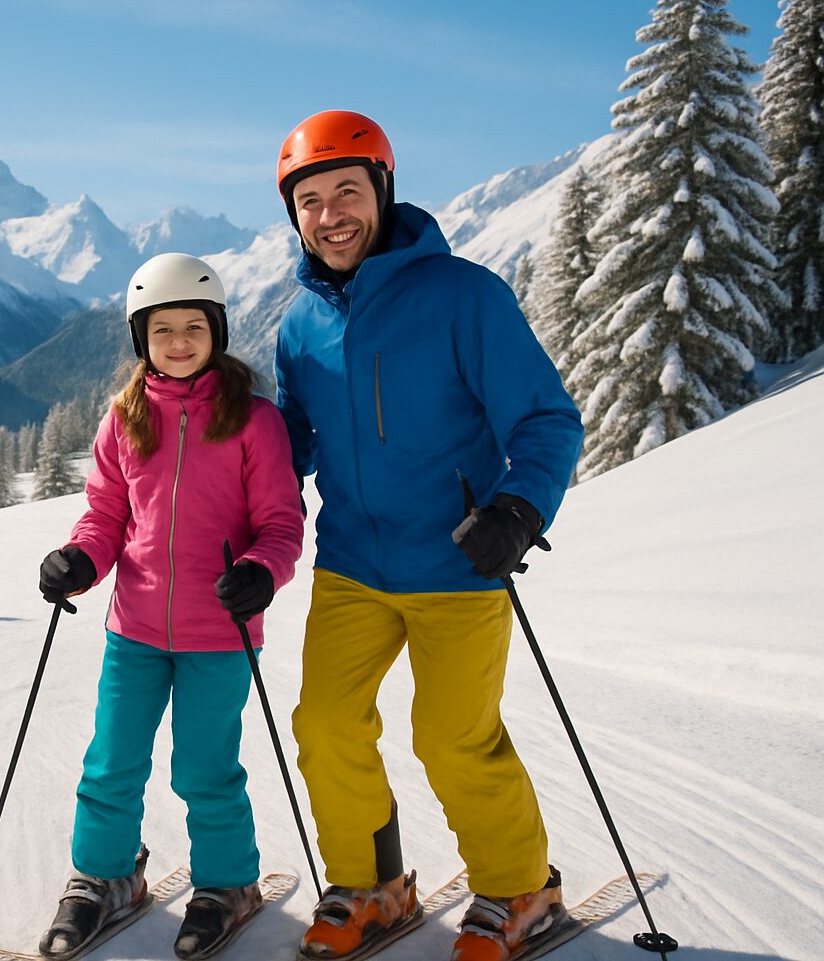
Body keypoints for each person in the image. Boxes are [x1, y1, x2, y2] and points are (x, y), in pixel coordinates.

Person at [270, 111, 584, 961]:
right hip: (353, 566)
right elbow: (291, 445)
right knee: (326, 725)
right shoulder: (299, 326)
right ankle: (374, 885)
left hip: (458, 563)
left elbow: (548, 420)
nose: (330, 214)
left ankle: (522, 888)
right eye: (310, 201)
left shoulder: (463, 294)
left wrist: (518, 509)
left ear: (382, 191)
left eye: (347, 192)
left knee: (452, 736)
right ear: (293, 214)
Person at [34, 253, 304, 961]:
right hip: (136, 628)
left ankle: (227, 885)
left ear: (216, 330)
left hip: (222, 632)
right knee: (111, 760)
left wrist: (260, 573)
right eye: (162, 330)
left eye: (194, 326)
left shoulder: (254, 420)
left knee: (205, 768)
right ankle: (105, 876)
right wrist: (81, 562)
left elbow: (281, 523)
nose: (179, 341)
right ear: (140, 339)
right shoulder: (124, 418)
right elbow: (105, 515)